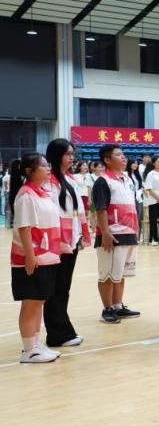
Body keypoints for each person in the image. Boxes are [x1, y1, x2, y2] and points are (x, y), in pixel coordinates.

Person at [11, 153, 63, 363]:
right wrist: (30, 257)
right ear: (29, 171)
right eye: (43, 165)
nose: (48, 168)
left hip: (47, 256)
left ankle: (35, 344)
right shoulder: (26, 195)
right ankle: (28, 350)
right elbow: (24, 227)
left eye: (48, 164)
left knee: (39, 301)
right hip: (32, 257)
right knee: (31, 302)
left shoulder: (42, 193)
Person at [44, 139, 88, 349]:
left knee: (63, 288)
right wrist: (60, 240)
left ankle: (62, 331)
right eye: (67, 154)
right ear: (56, 156)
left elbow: (76, 211)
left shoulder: (69, 178)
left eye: (72, 154)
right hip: (57, 243)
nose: (72, 158)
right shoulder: (49, 181)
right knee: (56, 289)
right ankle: (57, 333)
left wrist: (79, 236)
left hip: (71, 240)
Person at [92, 144, 141, 324]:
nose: (124, 157)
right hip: (112, 234)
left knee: (120, 274)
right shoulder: (103, 181)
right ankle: (107, 309)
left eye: (123, 154)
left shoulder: (127, 179)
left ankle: (118, 306)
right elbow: (101, 209)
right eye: (118, 154)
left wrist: (136, 229)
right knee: (107, 274)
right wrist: (105, 232)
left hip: (128, 233)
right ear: (107, 160)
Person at [143, 156, 159, 244]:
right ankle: (154, 239)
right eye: (158, 161)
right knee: (153, 220)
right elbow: (149, 188)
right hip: (153, 200)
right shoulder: (151, 174)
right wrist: (158, 198)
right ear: (154, 163)